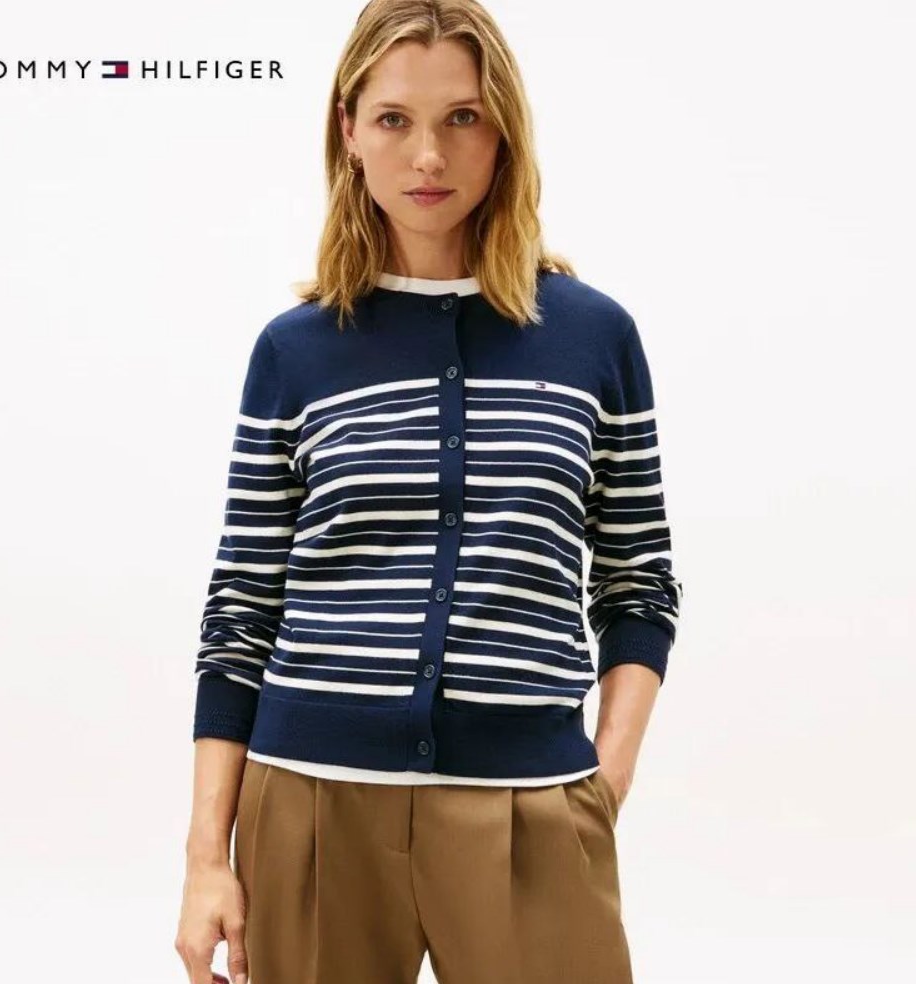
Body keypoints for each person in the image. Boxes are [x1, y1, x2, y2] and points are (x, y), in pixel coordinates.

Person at [175, 2, 683, 982]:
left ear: (505, 133)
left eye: (463, 117)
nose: (428, 156)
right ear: (349, 131)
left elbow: (638, 582)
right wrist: (206, 858)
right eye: (394, 119)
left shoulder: (593, 338)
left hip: (531, 800)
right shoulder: (297, 351)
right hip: (312, 807)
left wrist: (601, 783)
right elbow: (240, 608)